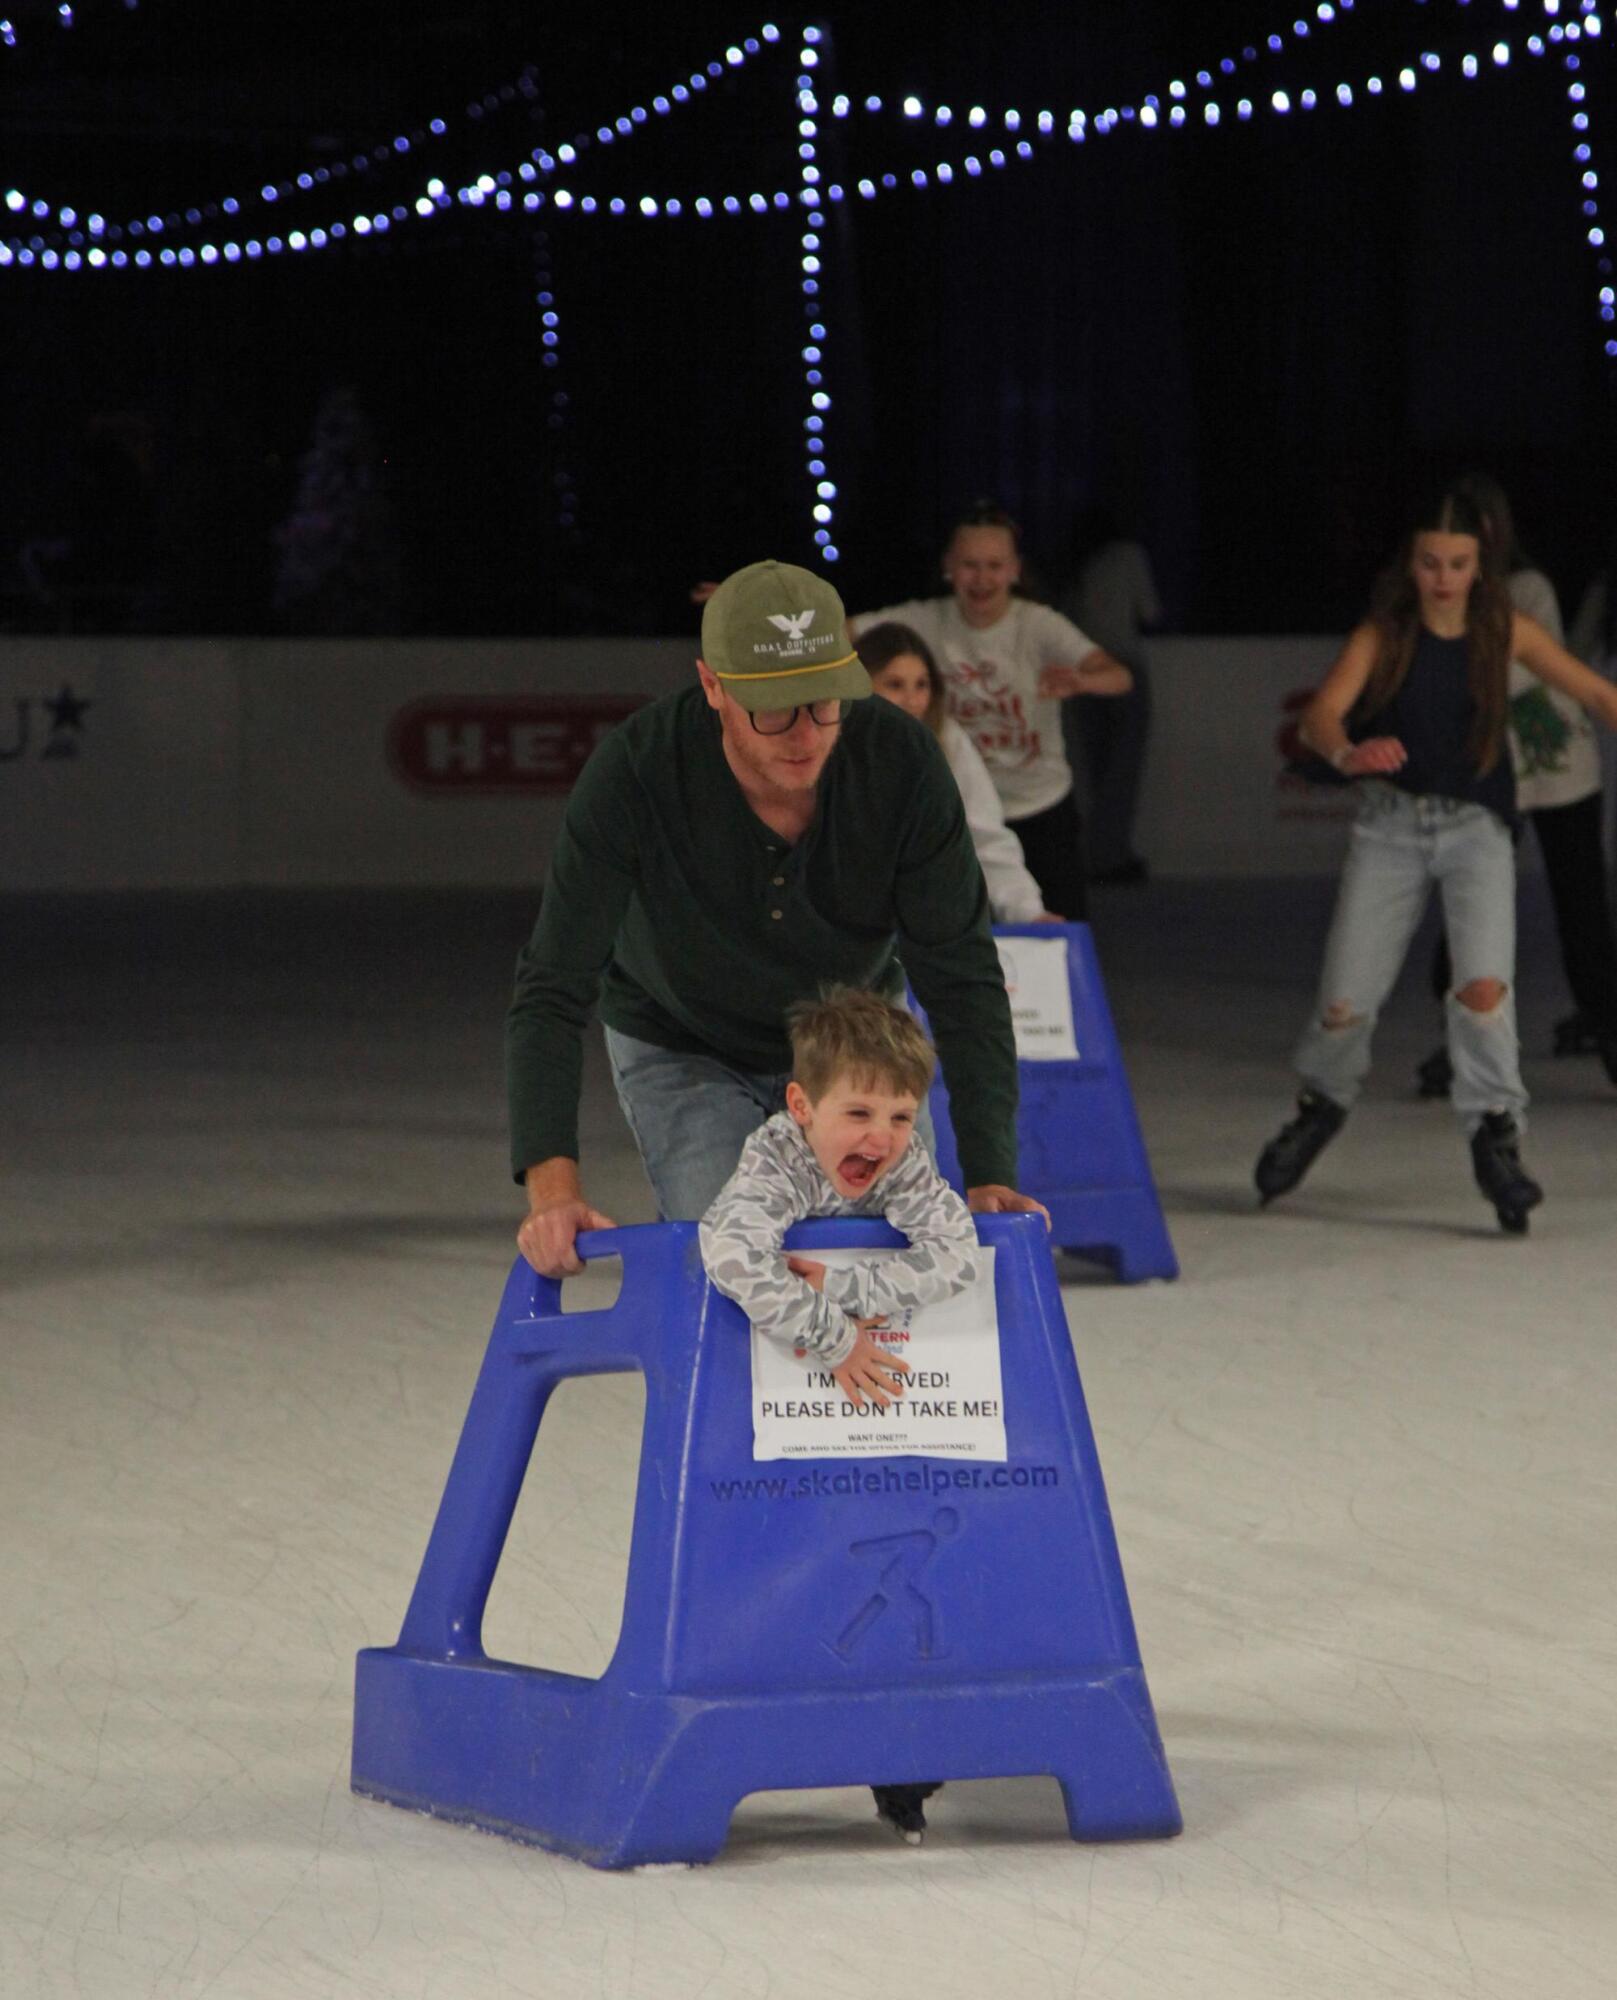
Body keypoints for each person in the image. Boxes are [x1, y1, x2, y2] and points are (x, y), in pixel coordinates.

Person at [508, 557, 1047, 1282]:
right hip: (683, 1038)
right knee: (739, 1268)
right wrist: (553, 1190)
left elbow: (962, 973)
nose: (804, 733)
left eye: (825, 700)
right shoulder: (635, 771)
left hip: (850, 1036)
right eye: (773, 707)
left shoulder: (902, 764)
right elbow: (552, 984)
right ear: (712, 686)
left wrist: (987, 1171)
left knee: (884, 1264)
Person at [1252, 486, 1617, 1233]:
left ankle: (1494, 1135)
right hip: (1388, 830)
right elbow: (1322, 716)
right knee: (1344, 999)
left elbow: (1593, 693)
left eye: (1457, 564)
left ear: (1481, 567)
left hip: (1477, 831)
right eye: (1430, 563)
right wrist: (1347, 749)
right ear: (1409, 565)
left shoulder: (1504, 630)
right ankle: (1320, 1105)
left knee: (1483, 991)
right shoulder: (1382, 635)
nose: (1443, 578)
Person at [699, 986, 982, 1845]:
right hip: (786, 1389)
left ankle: (906, 1741)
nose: (880, 1138)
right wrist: (834, 1340)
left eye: (900, 1117)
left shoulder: (900, 1163)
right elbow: (729, 1250)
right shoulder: (776, 1159)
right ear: (800, 1105)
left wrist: (851, 1287)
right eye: (857, 1112)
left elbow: (957, 1254)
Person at [1413, 476, 1617, 1096]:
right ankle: (1461, 1044)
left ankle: (1612, 1038)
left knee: (1582, 916)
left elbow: (1518, 675)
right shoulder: (1452, 598)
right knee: (1469, 908)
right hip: (1495, 773)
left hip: (1560, 772)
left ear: (1490, 535)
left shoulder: (1526, 591)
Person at [849, 503, 1132, 921]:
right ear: (949, 567)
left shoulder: (1038, 625)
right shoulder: (926, 619)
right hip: (955, 806)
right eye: (969, 565)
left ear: (1015, 570)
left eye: (994, 566)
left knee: (1057, 928)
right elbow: (839, 631)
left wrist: (1083, 680)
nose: (982, 579)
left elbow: (1119, 676)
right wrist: (761, 615)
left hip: (1037, 806)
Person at [854, 620, 1061, 924]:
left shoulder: (948, 741)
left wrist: (1028, 911)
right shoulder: (823, 743)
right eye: (895, 685)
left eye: (921, 685)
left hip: (929, 922)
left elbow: (985, 838)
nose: (912, 701)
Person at [1060, 508, 1161, 884]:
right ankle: (1109, 855)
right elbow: (1149, 611)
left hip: (1084, 666)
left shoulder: (1078, 563)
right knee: (1122, 768)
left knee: (1092, 771)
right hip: (1120, 664)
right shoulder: (1128, 554)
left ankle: (1092, 854)